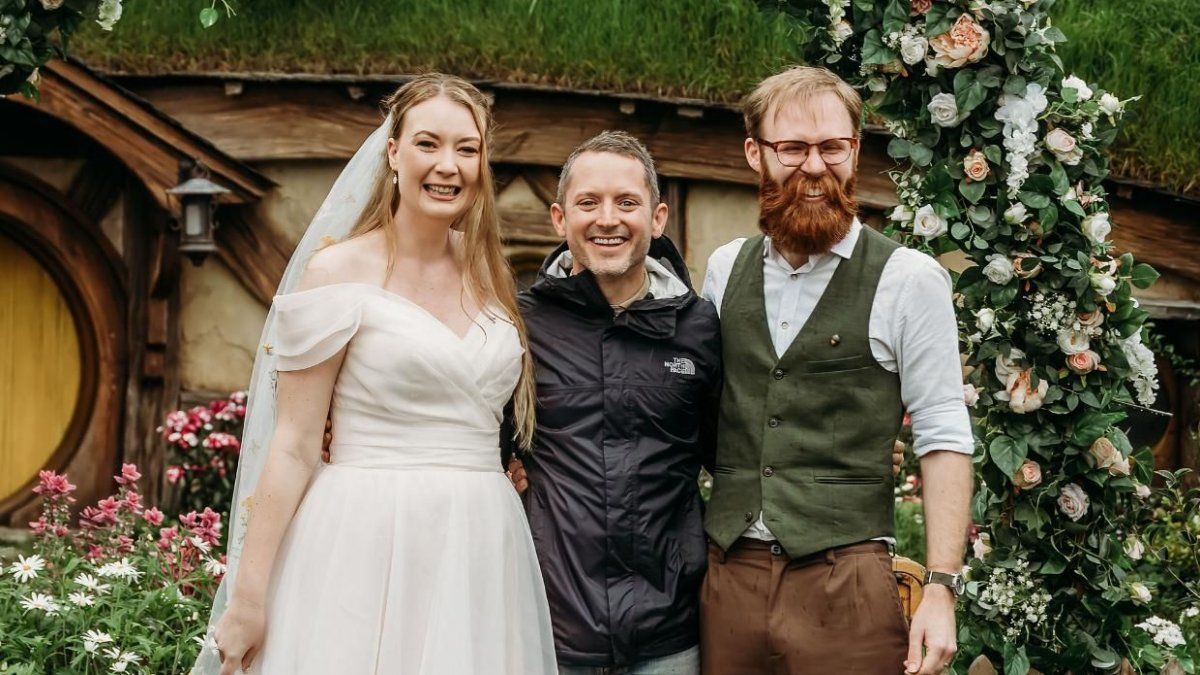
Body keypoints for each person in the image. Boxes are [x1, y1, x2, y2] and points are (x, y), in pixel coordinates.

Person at [194, 74, 556, 675]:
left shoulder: (490, 275)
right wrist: (248, 595)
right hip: (363, 537)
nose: (449, 165)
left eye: (467, 149)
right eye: (428, 144)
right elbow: (293, 445)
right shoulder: (337, 271)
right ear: (393, 152)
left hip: (481, 544)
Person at [699, 65, 975, 675]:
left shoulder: (909, 279)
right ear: (755, 153)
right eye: (792, 148)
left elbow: (943, 432)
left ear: (855, 151)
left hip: (845, 579)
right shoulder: (724, 269)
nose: (815, 167)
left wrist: (940, 587)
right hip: (728, 579)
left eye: (832, 147)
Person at [508, 131, 721, 674]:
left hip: (670, 633)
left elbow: (739, 450)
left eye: (627, 202)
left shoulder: (699, 327)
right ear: (559, 219)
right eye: (588, 203)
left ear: (657, 217)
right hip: (551, 628)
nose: (608, 219)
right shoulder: (517, 324)